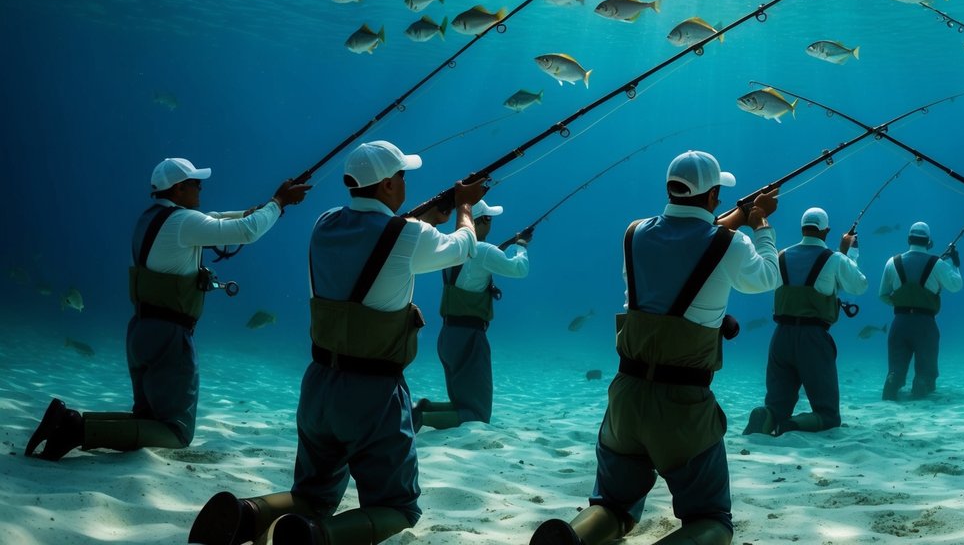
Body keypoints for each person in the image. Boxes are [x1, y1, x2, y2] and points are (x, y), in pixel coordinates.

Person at [188, 140, 486, 545]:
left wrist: (428, 217)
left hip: (319, 385)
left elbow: (378, 238)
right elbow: (463, 246)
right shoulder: (409, 235)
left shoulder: (324, 223)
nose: (405, 182)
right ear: (385, 186)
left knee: (312, 495)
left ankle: (247, 513)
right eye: (401, 175)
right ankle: (315, 538)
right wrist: (465, 207)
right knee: (400, 507)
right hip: (373, 394)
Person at [530, 150, 780, 545]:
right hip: (682, 406)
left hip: (625, 398)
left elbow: (690, 240)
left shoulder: (635, 233)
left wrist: (735, 218)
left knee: (613, 506)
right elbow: (767, 276)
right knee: (711, 519)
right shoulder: (730, 244)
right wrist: (761, 223)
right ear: (714, 195)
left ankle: (572, 540)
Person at [24, 157, 309, 462]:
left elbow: (218, 219)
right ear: (177, 189)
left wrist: (263, 207)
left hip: (140, 331)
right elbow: (247, 231)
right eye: (193, 183)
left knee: (148, 418)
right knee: (176, 431)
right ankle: (77, 430)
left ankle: (67, 421)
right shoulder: (184, 223)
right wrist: (279, 202)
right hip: (169, 336)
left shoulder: (152, 218)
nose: (200, 187)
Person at [743, 206, 866, 435]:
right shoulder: (834, 259)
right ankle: (792, 426)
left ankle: (768, 415)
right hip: (813, 339)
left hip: (780, 338)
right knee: (828, 414)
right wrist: (850, 254)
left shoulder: (780, 256)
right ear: (826, 231)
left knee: (777, 405)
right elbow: (858, 285)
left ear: (802, 229)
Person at [415, 198, 531, 431]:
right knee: (476, 414)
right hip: (470, 337)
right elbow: (519, 269)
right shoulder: (485, 251)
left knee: (462, 403)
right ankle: (414, 422)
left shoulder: (452, 245)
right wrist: (520, 245)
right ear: (482, 221)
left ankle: (422, 408)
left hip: (448, 335)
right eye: (489, 219)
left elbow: (473, 266)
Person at [878, 221, 962, 401]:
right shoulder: (938, 264)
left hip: (899, 322)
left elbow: (882, 295)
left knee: (896, 366)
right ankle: (921, 384)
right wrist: (955, 264)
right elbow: (956, 286)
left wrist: (900, 302)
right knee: (926, 369)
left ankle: (893, 381)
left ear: (909, 239)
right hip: (925, 324)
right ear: (929, 242)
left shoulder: (892, 262)